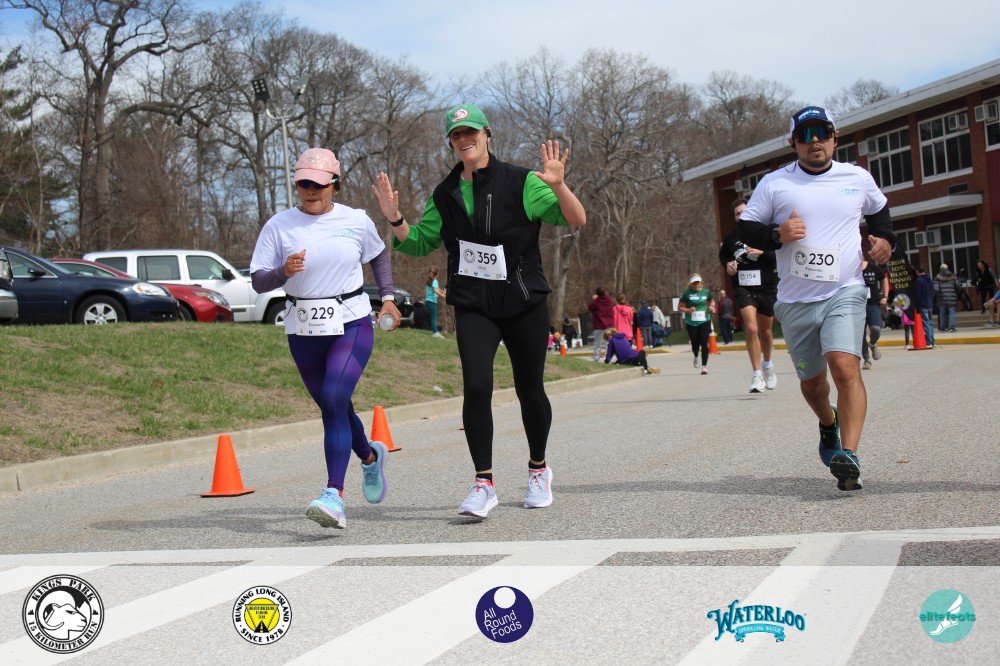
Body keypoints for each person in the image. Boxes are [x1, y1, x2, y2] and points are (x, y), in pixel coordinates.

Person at [371, 104, 586, 518]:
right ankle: (483, 483)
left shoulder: (523, 181)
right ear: (451, 142)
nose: (464, 139)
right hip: (473, 304)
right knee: (476, 386)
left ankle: (538, 469)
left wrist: (559, 185)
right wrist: (395, 218)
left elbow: (576, 218)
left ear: (487, 134)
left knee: (529, 388)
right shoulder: (445, 193)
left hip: (523, 300)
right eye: (456, 134)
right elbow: (419, 242)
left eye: (470, 131)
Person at [737, 106, 897, 492]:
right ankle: (829, 424)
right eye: (805, 135)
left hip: (845, 290)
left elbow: (880, 214)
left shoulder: (856, 177)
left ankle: (849, 455)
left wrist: (886, 242)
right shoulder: (775, 183)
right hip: (795, 301)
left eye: (821, 132)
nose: (814, 142)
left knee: (844, 367)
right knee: (812, 386)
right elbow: (745, 229)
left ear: (835, 137)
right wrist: (777, 235)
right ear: (792, 142)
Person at [250, 147, 400, 529]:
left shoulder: (355, 220)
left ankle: (334, 494)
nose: (311, 190)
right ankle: (370, 457)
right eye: (304, 183)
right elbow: (258, 281)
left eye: (318, 184)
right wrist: (283, 272)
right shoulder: (279, 226)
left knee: (334, 398)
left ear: (335, 183)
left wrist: (388, 298)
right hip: (302, 328)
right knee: (334, 406)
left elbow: (378, 256)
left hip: (350, 321)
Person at [720, 198, 779, 393]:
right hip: (743, 286)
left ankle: (767, 365)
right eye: (737, 213)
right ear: (734, 217)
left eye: (744, 212)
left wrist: (762, 252)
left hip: (766, 286)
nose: (741, 216)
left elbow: (777, 256)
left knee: (766, 332)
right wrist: (728, 265)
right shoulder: (731, 237)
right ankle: (756, 375)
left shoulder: (765, 232)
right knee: (752, 328)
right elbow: (724, 255)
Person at [679, 274, 715, 374]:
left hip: (704, 320)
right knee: (695, 342)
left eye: (697, 282)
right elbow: (680, 307)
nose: (696, 285)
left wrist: (712, 306)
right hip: (691, 322)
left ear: (700, 282)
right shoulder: (686, 293)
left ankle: (704, 366)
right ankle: (695, 355)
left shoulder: (706, 291)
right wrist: (688, 310)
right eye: (694, 283)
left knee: (704, 343)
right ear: (691, 284)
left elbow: (711, 300)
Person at [860, 258, 889, 370]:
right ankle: (866, 360)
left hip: (873, 304)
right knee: (861, 335)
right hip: (858, 306)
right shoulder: (851, 270)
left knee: (876, 328)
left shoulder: (873, 267)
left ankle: (872, 343)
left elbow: (884, 279)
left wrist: (885, 296)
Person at [587, 287, 615, 361]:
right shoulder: (609, 300)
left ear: (597, 294)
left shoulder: (597, 301)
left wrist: (595, 299)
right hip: (609, 324)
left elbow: (590, 308)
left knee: (597, 342)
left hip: (599, 324)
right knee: (608, 342)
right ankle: (608, 357)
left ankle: (596, 357)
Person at [914, 265, 936, 347]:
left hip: (923, 304)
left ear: (917, 271)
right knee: (930, 322)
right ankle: (932, 340)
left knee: (926, 323)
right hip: (930, 303)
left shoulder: (919, 281)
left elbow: (918, 295)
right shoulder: (929, 279)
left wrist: (917, 305)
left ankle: (929, 341)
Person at [934, 263, 960, 332]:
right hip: (951, 297)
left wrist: (934, 295)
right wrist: (958, 293)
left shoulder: (937, 277)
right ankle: (952, 328)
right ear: (947, 269)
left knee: (942, 313)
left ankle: (942, 328)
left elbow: (936, 288)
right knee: (952, 312)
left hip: (941, 297)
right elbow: (957, 285)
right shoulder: (953, 276)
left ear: (940, 269)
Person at [425, 266, 447, 337]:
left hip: (428, 301)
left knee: (433, 317)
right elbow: (435, 291)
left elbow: (437, 289)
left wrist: (443, 292)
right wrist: (443, 296)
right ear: (437, 274)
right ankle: (435, 332)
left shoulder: (430, 281)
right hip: (432, 302)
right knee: (434, 317)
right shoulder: (435, 281)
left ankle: (435, 331)